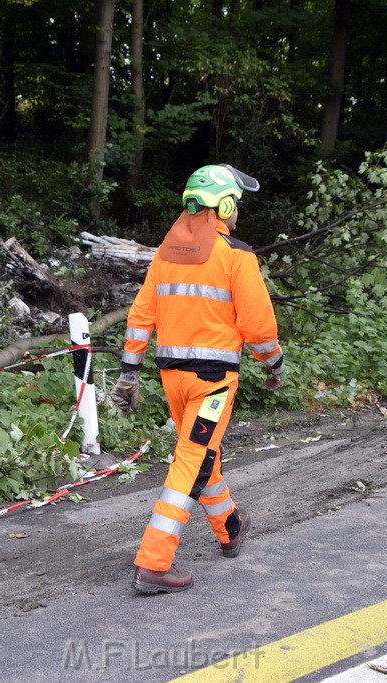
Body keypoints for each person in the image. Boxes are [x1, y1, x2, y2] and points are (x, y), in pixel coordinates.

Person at [111, 163, 286, 594]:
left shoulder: (165, 254)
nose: (238, 212)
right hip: (212, 382)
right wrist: (273, 364)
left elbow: (140, 317)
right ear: (224, 206)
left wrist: (130, 373)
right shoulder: (237, 255)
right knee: (192, 460)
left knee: (203, 454)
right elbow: (259, 327)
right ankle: (153, 563)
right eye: (237, 204)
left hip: (173, 377)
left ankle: (230, 527)